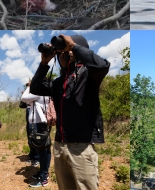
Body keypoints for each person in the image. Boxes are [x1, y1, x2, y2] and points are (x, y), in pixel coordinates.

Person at [30, 34, 110, 190]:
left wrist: (74, 46)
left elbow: (102, 66)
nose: (62, 56)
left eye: (65, 52)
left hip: (81, 147)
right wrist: (44, 62)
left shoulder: (88, 75)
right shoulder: (59, 82)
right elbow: (35, 88)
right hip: (60, 145)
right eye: (60, 54)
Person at [21, 86, 52, 187]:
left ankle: (44, 177)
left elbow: (23, 98)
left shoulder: (39, 91)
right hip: (38, 123)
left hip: (39, 124)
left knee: (43, 150)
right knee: (43, 149)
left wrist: (30, 87)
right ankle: (43, 172)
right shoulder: (41, 93)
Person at [20, 81, 40, 167]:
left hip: (35, 115)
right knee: (30, 136)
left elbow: (25, 98)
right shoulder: (29, 92)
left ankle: (37, 157)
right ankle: (32, 155)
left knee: (35, 136)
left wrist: (28, 88)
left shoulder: (38, 91)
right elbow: (22, 103)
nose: (28, 85)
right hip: (29, 113)